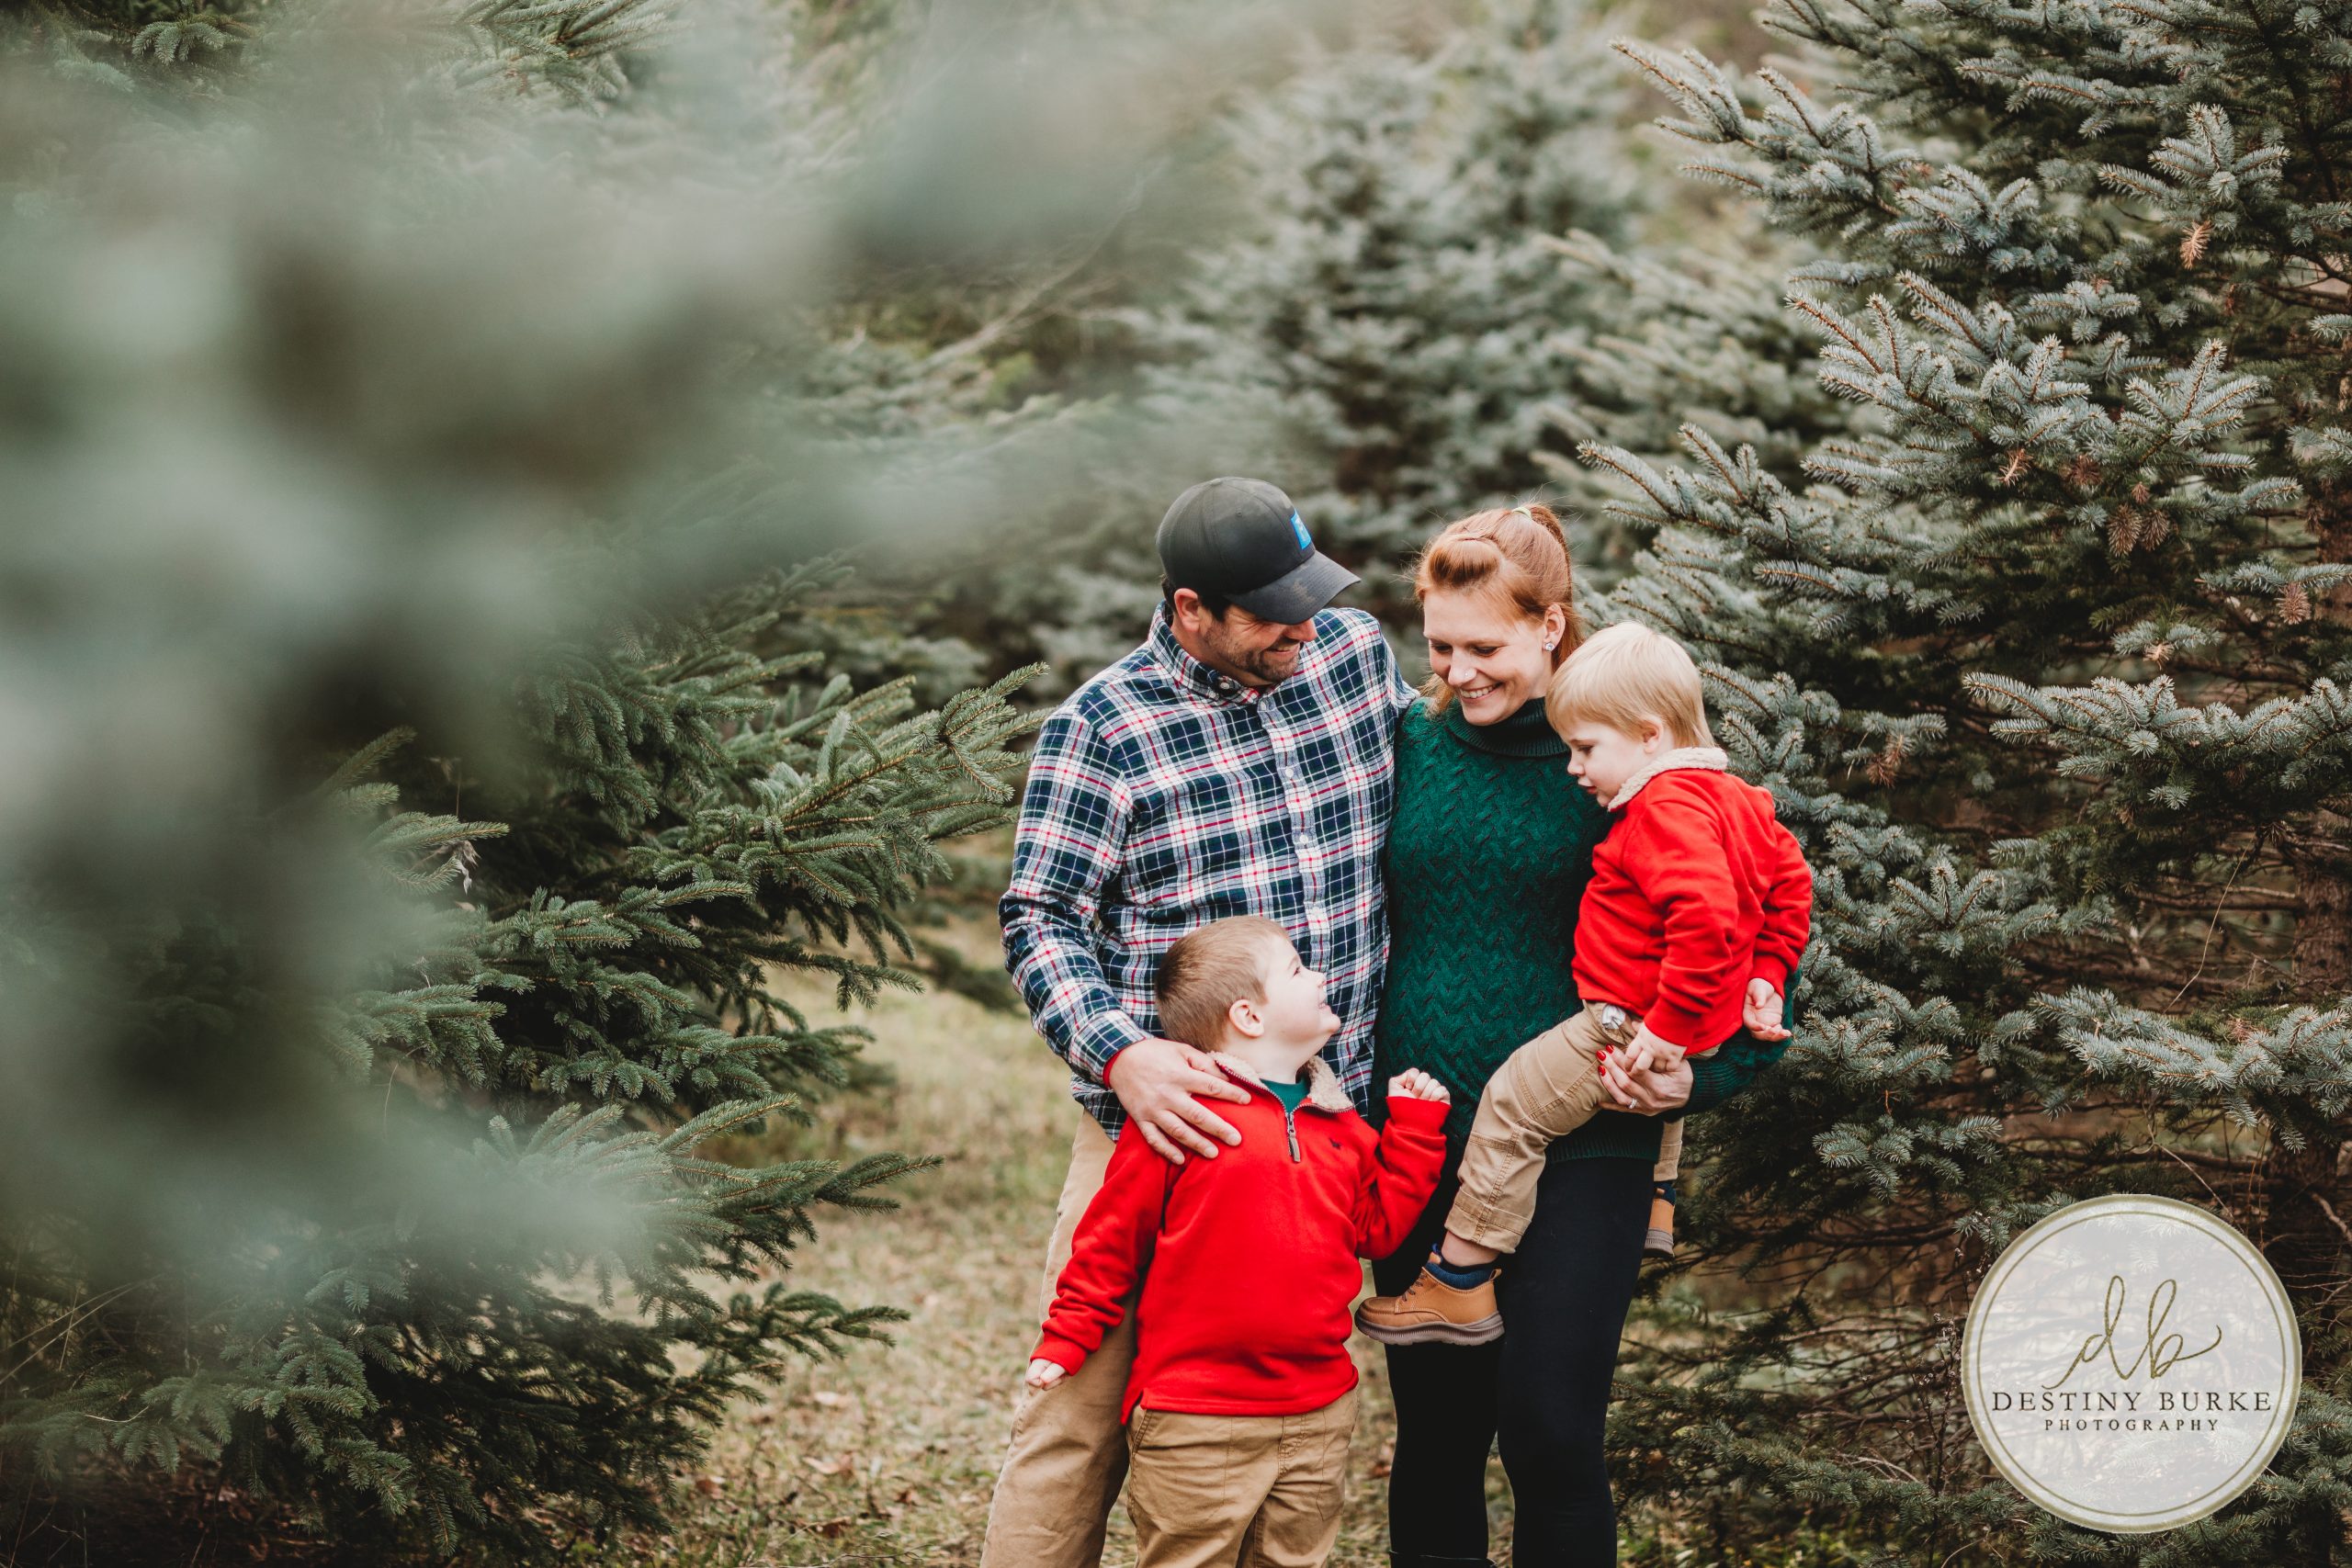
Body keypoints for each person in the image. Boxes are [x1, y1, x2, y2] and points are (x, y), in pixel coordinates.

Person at [982, 477, 1420, 1568]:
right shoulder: (1104, 728)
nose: (1301, 627)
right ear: (1189, 611)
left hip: (1321, 1132)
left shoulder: (1354, 657)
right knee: (1075, 1423)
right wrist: (1122, 1055)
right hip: (1162, 1128)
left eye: (1309, 596)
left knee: (1285, 1429)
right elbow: (1039, 916)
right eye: (1271, 612)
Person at [1362, 504, 1800, 1568]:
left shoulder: (1621, 763)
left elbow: (1746, 919)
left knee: (1551, 1434)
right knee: (1436, 1441)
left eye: (1486, 647)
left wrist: (1705, 1078)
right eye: (1442, 646)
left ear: (1551, 626)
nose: (1460, 671)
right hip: (1419, 1134)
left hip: (1587, 1141)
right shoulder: (1407, 747)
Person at [1357, 620, 1811, 1346]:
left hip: (1626, 1016)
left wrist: (1663, 1027)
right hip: (1690, 1014)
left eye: (1588, 749)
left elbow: (1704, 913)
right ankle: (1657, 1202)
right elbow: (1789, 882)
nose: (1574, 767)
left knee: (1513, 1104)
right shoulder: (1737, 797)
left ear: (1650, 733)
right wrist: (1768, 971)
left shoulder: (1660, 810)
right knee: (1659, 1079)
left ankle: (1460, 1275)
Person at [1023, 917, 1451, 1568]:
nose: (1318, 976)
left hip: (1317, 1411)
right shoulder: (1184, 1118)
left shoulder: (1342, 1125)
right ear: (1249, 1015)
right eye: (1298, 971)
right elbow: (1111, 1239)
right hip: (1196, 1418)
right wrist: (1069, 1333)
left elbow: (1379, 1230)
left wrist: (1414, 1133)